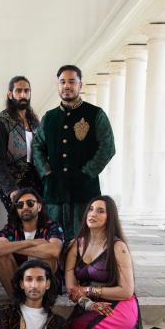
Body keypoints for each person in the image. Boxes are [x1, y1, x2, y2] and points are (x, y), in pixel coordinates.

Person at [61, 196, 148, 329]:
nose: (93, 214)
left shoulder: (118, 247)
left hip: (121, 304)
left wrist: (91, 291)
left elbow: (126, 290)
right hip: (89, 305)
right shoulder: (75, 245)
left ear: (110, 217)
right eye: (91, 209)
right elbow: (72, 288)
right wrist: (88, 303)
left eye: (101, 211)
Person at [32, 65, 116, 240]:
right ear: (58, 86)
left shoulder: (95, 114)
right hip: (55, 192)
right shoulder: (49, 117)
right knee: (53, 241)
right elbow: (37, 146)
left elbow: (108, 147)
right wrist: (46, 173)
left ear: (80, 85)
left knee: (85, 239)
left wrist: (87, 172)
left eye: (72, 81)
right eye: (62, 82)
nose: (66, 86)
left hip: (84, 192)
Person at [0, 188, 64, 298]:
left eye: (30, 203)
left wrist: (10, 247)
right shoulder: (11, 229)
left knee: (48, 256)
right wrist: (32, 242)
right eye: (20, 205)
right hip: (19, 284)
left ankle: (44, 301)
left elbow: (54, 250)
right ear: (17, 209)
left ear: (39, 206)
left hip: (47, 287)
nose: (25, 207)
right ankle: (17, 302)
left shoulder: (51, 226)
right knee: (1, 257)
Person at [0, 76, 42, 215]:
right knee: (17, 225)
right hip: (11, 183)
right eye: (18, 91)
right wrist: (11, 189)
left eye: (26, 91)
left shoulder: (35, 123)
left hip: (35, 181)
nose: (23, 94)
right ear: (10, 94)